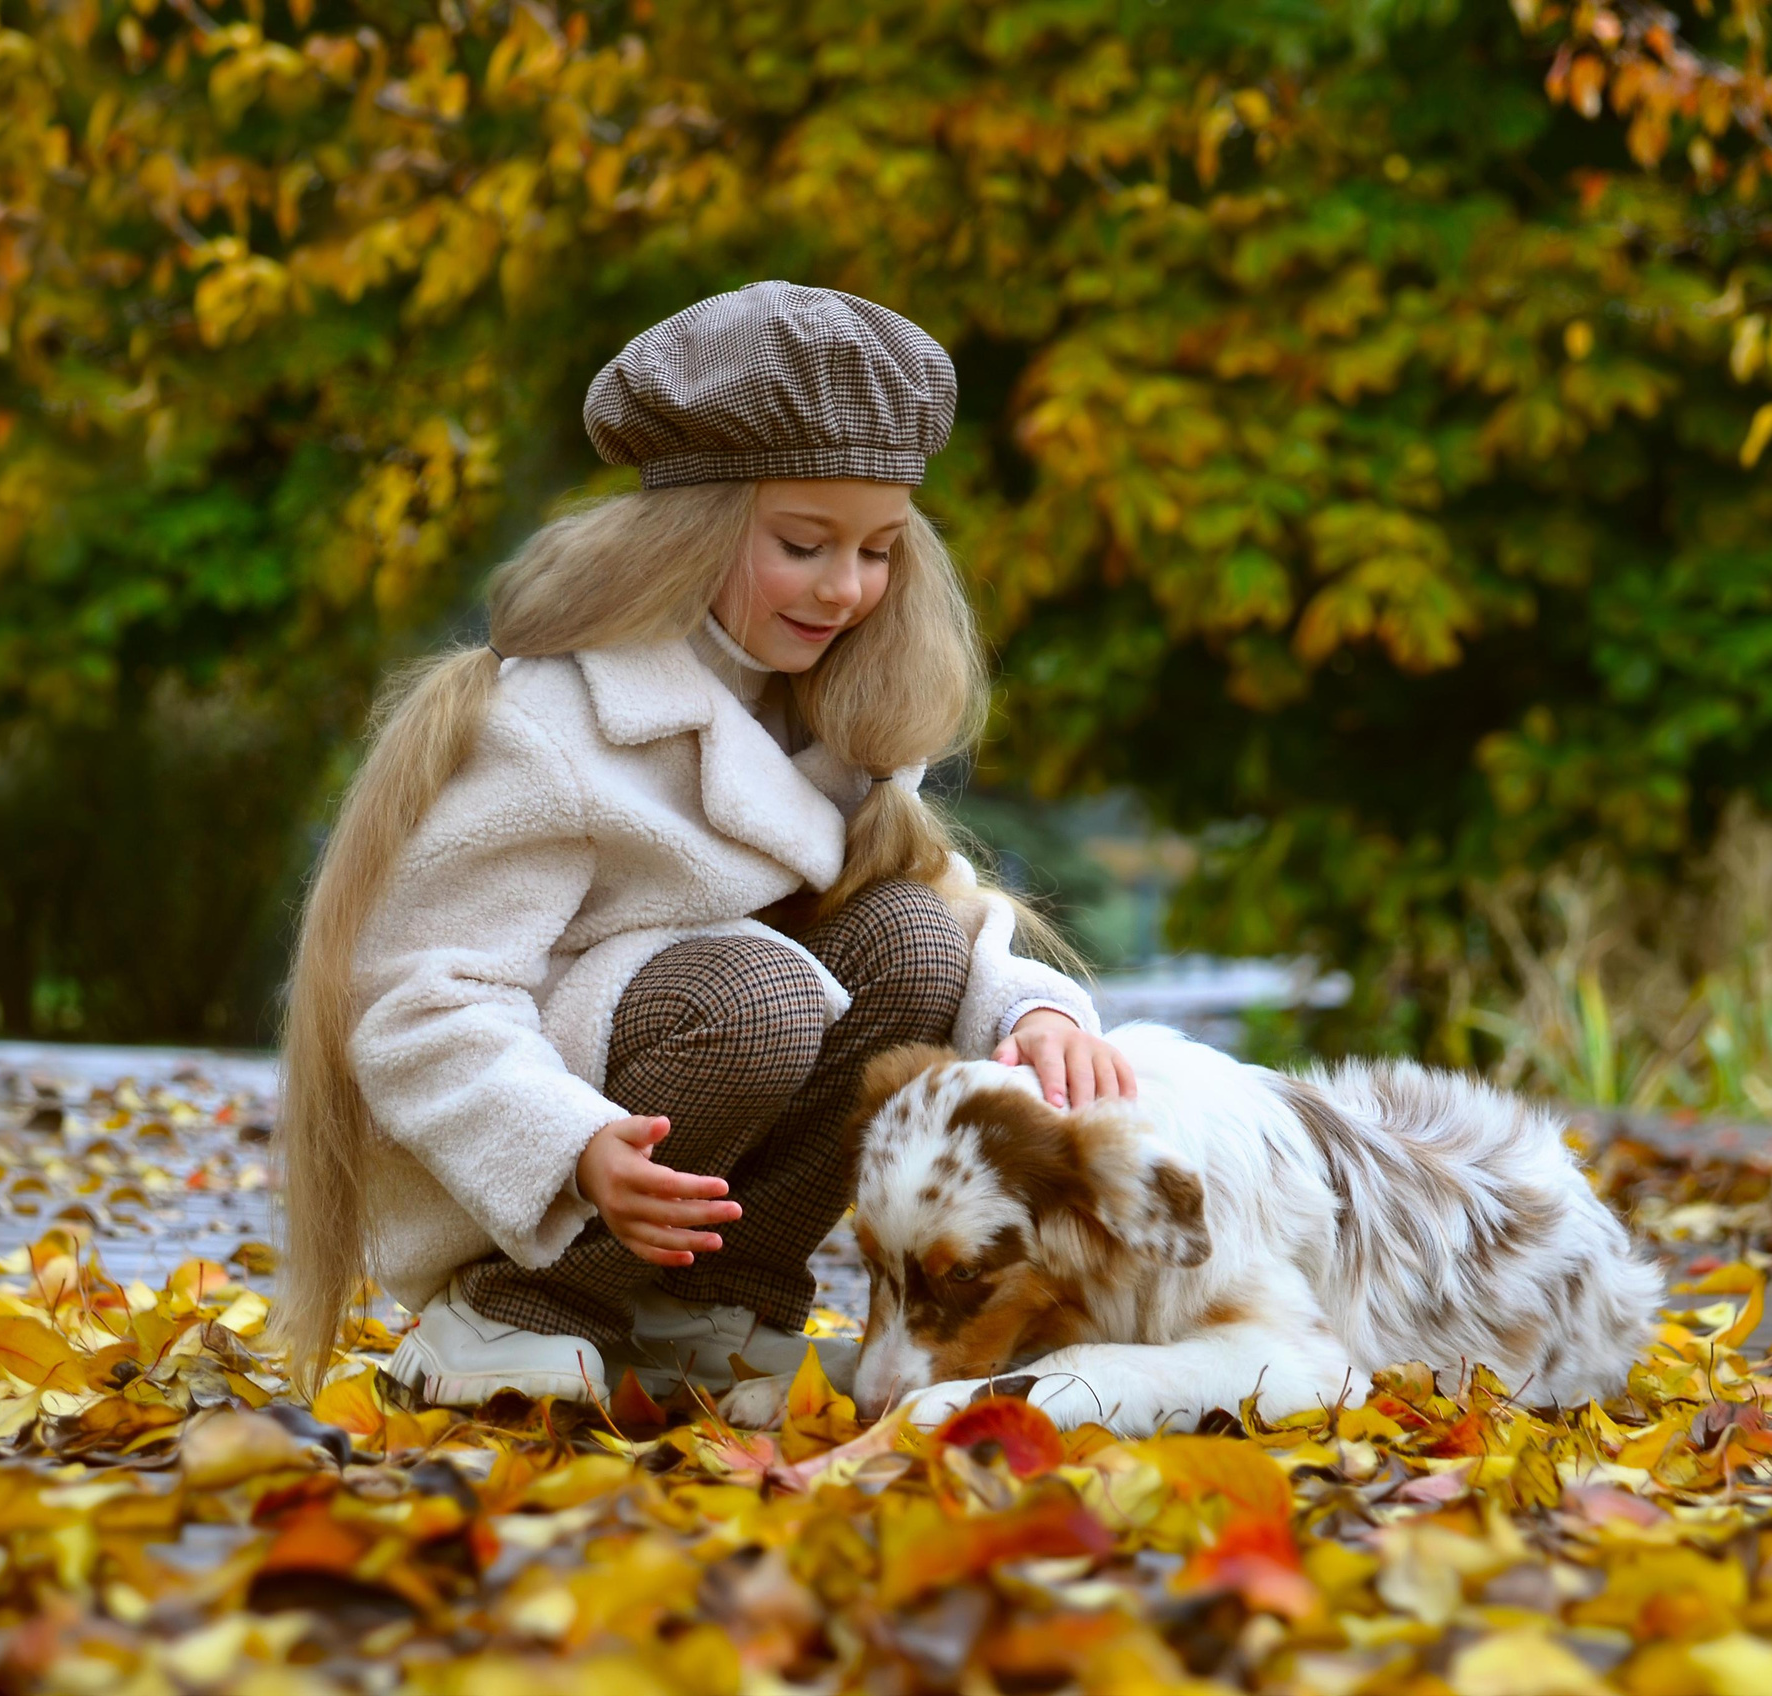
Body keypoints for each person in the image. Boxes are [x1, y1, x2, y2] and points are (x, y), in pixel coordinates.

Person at [272, 281, 1134, 1407]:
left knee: (914, 943)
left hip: (693, 1123)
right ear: (698, 528)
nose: (845, 588)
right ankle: (509, 1314)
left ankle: (714, 1306)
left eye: (879, 551)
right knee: (758, 989)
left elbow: (933, 899)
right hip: (525, 1162)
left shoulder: (836, 710)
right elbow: (421, 992)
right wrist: (570, 1144)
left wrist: (1033, 1012)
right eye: (803, 543)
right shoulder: (556, 718)